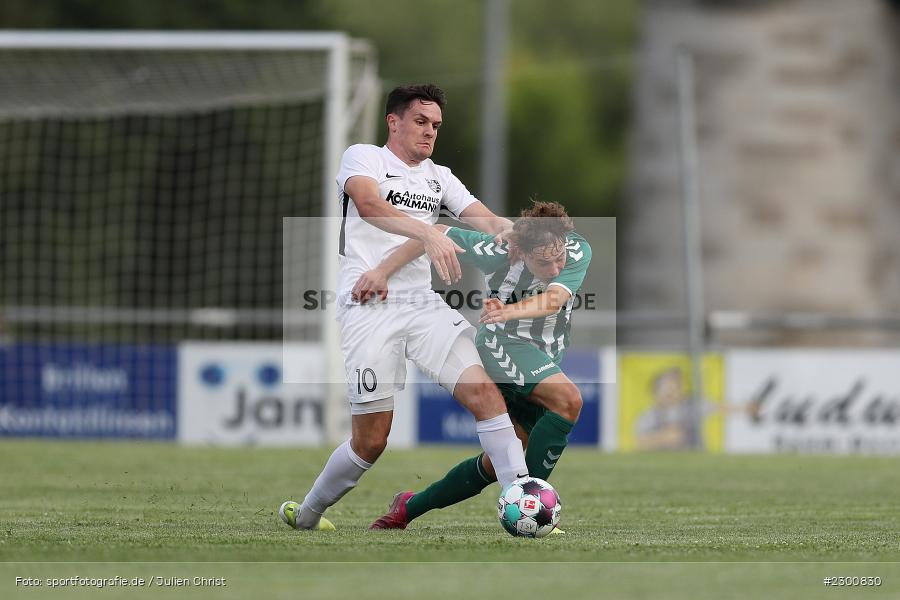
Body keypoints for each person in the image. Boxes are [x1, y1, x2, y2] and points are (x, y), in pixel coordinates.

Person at [278, 84, 529, 531]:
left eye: (435, 125)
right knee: (371, 441)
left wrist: (516, 235)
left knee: (486, 394)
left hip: (423, 306)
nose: (429, 132)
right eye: (420, 121)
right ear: (393, 121)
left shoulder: (440, 176)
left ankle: (523, 500)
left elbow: (487, 220)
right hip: (368, 306)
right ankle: (309, 512)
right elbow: (370, 205)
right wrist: (429, 232)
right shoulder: (364, 157)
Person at [362, 201, 592, 530]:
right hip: (503, 345)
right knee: (568, 400)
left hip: (542, 355)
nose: (555, 268)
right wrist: (383, 271)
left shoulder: (577, 248)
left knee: (498, 461)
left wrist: (508, 309)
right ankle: (532, 506)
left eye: (559, 259)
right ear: (522, 253)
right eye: (544, 263)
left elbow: (554, 298)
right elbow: (436, 233)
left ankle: (407, 508)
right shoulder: (497, 252)